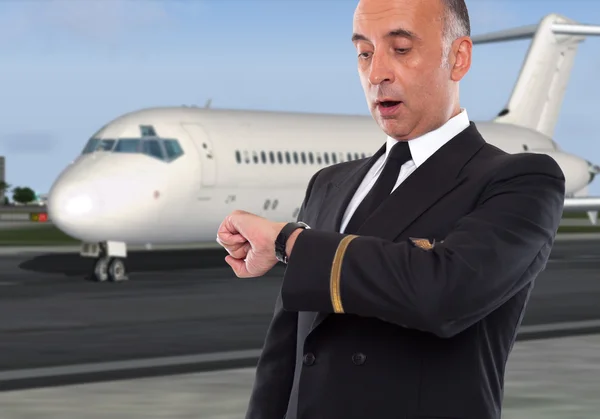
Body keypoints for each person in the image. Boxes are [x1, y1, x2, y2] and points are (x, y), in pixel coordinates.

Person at [216, 0, 566, 417]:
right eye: (364, 52)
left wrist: (289, 240)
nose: (376, 73)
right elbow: (284, 352)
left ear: (459, 58)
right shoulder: (329, 184)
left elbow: (444, 294)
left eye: (400, 49)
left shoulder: (520, 179)